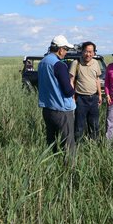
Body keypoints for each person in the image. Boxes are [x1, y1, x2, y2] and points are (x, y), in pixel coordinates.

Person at [38, 35, 76, 166]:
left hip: (47, 109)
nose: (66, 52)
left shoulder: (43, 62)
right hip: (62, 110)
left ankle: (51, 166)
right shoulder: (59, 65)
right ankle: (69, 170)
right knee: (68, 142)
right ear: (60, 49)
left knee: (51, 141)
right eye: (65, 49)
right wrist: (73, 87)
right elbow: (67, 90)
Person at [69, 41, 102, 142]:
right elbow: (71, 80)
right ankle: (77, 146)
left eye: (91, 52)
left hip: (94, 98)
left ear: (94, 53)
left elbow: (97, 80)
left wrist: (100, 95)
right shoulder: (76, 63)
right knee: (79, 125)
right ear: (82, 51)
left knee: (94, 124)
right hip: (81, 99)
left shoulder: (96, 63)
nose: (88, 54)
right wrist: (73, 97)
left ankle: (93, 145)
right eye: (86, 51)